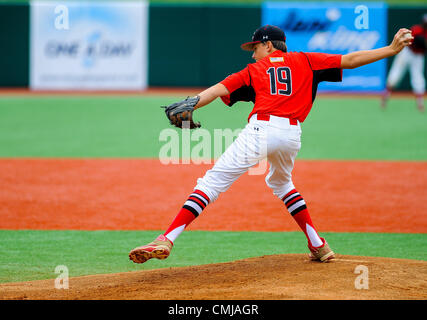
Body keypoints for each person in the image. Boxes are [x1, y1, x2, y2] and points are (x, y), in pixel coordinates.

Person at [129, 25, 414, 264]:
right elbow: (350, 59)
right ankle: (318, 245)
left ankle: (166, 239)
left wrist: (193, 104)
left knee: (211, 183)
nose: (252, 53)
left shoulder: (254, 70)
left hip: (261, 129)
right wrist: (391, 50)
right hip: (291, 135)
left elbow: (218, 90)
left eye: (255, 47)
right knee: (282, 183)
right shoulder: (307, 60)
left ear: (268, 45)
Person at [381, 14, 427, 112]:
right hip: (407, 53)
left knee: (418, 78)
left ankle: (420, 103)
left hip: (418, 56)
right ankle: (385, 96)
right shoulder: (416, 29)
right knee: (395, 75)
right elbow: (415, 41)